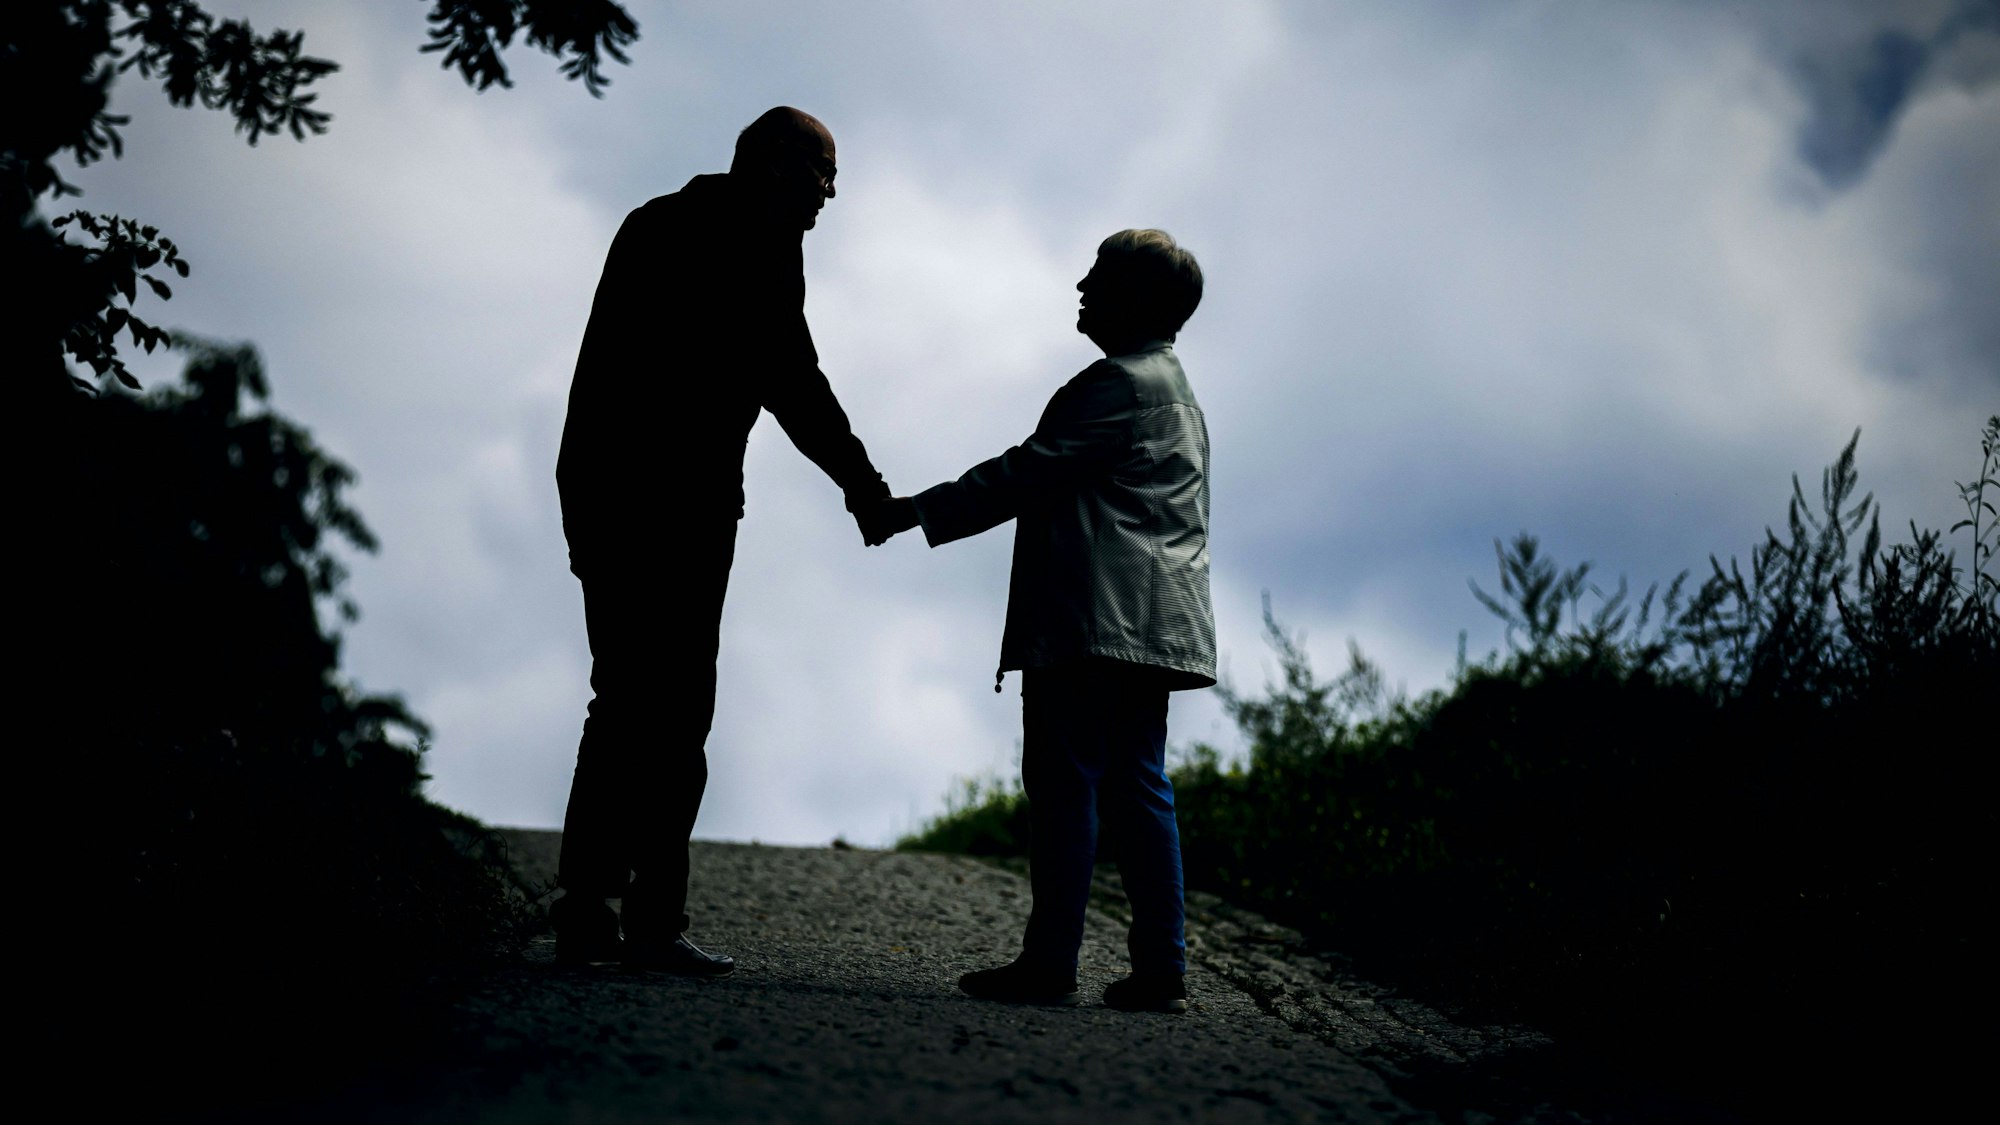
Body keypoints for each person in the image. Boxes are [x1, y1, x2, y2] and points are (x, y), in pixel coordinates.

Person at [552, 107, 895, 974]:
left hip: (696, 510)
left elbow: (790, 377)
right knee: (637, 699)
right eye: (822, 173)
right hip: (632, 504)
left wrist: (861, 483)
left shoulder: (766, 246)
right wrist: (863, 485)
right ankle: (603, 909)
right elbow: (789, 380)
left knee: (669, 710)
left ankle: (638, 917)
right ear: (770, 164)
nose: (829, 194)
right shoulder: (670, 231)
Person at [871, 229, 1212, 1012]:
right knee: (1139, 783)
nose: (1083, 288)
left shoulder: (1117, 384)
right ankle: (1162, 963)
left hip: (1093, 619)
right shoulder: (1177, 392)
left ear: (1138, 300)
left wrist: (919, 508)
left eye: (1101, 278)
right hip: (1154, 625)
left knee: (1066, 785)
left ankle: (1050, 960)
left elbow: (1029, 472)